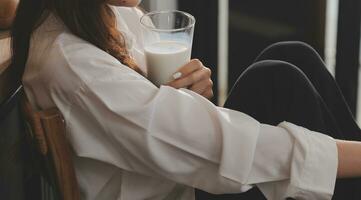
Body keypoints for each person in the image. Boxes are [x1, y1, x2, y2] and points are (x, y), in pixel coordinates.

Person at [10, 0, 361, 199]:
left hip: (172, 174)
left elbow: (144, 113)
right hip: (176, 190)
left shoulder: (97, 15)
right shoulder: (76, 65)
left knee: (290, 56)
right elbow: (218, 149)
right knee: (275, 77)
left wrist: (174, 97)